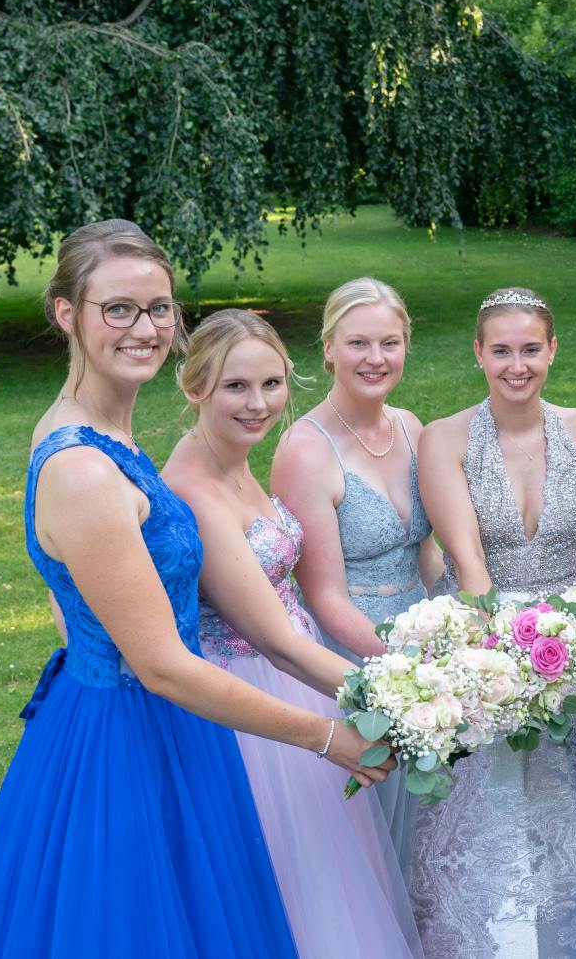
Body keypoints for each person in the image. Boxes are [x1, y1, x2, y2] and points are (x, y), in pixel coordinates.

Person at [0, 220, 391, 958]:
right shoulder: (83, 468)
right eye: (118, 308)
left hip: (163, 720)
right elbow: (160, 664)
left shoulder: (104, 433)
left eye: (158, 308)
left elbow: (69, 592)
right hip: (127, 734)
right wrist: (329, 737)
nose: (145, 329)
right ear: (67, 313)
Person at [162, 309, 422, 959]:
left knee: (335, 876)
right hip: (254, 702)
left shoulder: (233, 460)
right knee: (295, 883)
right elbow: (274, 639)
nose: (258, 404)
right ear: (195, 387)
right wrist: (404, 693)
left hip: (301, 678)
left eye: (272, 384)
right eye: (236, 387)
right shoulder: (194, 491)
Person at [411, 287, 576, 959]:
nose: (516, 365)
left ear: (553, 349)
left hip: (571, 646)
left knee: (566, 820)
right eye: (501, 351)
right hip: (482, 644)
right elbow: (469, 566)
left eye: (530, 349)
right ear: (478, 353)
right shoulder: (444, 439)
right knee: (488, 819)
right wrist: (506, 664)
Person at [271, 277, 438, 872]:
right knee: (372, 842)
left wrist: (457, 635)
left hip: (426, 649)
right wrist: (405, 670)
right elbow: (324, 597)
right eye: (358, 343)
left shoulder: (412, 427)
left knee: (431, 832)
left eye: (389, 343)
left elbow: (427, 553)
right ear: (328, 348)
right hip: (355, 659)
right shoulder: (305, 451)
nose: (375, 358)